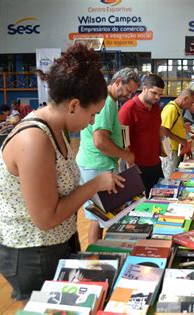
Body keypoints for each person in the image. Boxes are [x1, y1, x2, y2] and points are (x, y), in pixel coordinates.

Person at [0, 43, 125, 301]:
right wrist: (94, 185)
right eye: (93, 114)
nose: (94, 121)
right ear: (74, 105)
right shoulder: (34, 140)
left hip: (55, 241)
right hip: (31, 251)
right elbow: (45, 217)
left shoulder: (57, 130)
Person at [76, 67, 140, 244]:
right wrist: (125, 155)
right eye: (128, 91)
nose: (128, 96)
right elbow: (100, 141)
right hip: (96, 165)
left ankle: (98, 255)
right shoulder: (106, 103)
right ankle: (96, 256)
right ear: (118, 82)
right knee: (100, 218)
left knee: (102, 218)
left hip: (99, 164)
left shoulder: (109, 101)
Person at [118, 74, 165, 196]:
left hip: (155, 164)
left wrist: (161, 147)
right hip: (136, 166)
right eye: (154, 93)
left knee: (160, 200)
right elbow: (123, 141)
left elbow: (156, 129)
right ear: (144, 89)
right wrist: (130, 166)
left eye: (160, 95)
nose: (157, 98)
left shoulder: (156, 108)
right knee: (138, 205)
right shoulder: (128, 109)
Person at [160, 89, 194, 178]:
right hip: (170, 151)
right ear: (185, 99)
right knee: (171, 178)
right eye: (191, 102)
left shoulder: (177, 109)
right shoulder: (171, 109)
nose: (190, 106)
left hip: (176, 150)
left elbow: (180, 130)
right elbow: (163, 130)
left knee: (176, 176)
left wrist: (185, 146)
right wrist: (181, 140)